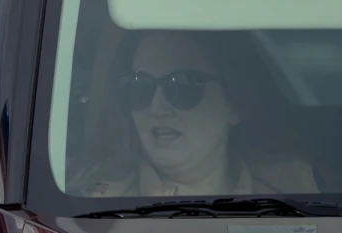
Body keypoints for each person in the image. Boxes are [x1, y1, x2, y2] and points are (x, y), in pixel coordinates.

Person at [77, 31, 317, 197]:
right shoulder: (90, 208)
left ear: (235, 104)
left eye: (182, 86)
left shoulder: (298, 199)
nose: (156, 108)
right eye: (140, 88)